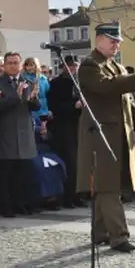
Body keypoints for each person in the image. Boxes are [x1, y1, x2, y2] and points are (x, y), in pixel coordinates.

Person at [76, 23, 135, 253]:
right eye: (112, 40)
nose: (116, 45)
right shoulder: (90, 65)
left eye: (118, 41)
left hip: (117, 134)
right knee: (109, 187)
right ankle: (119, 237)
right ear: (98, 39)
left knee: (105, 186)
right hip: (100, 135)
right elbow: (106, 87)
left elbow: (125, 99)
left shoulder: (115, 66)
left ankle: (100, 232)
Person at [0, 51, 41, 217]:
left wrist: (33, 99)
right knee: (6, 174)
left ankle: (21, 203)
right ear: (4, 65)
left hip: (24, 133)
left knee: (22, 173)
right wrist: (16, 97)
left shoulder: (27, 82)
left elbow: (34, 107)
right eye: (9, 63)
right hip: (6, 133)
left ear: (20, 64)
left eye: (16, 62)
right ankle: (6, 206)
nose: (13, 66)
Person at [47, 56, 86, 208]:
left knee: (80, 163)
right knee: (70, 163)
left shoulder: (80, 82)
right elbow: (55, 106)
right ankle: (65, 197)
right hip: (63, 128)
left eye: (74, 67)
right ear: (63, 67)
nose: (72, 70)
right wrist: (73, 106)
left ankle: (77, 195)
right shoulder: (56, 84)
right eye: (69, 67)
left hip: (79, 126)